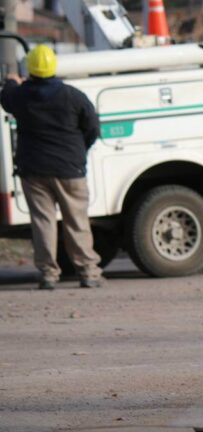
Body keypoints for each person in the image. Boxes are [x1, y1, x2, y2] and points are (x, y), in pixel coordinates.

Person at [1, 45, 103, 290]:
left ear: (31, 68)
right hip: (70, 169)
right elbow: (92, 129)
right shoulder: (73, 96)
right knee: (76, 221)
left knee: (43, 223)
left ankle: (48, 274)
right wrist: (78, 151)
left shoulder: (21, 96)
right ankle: (88, 272)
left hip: (34, 170)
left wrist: (12, 82)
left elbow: (5, 98)